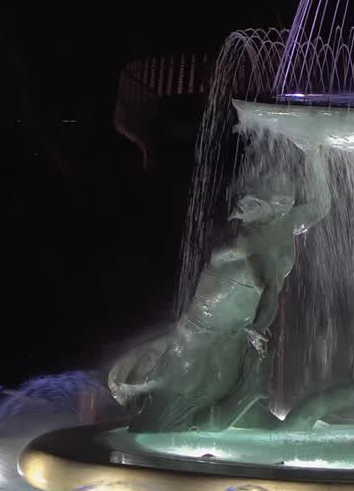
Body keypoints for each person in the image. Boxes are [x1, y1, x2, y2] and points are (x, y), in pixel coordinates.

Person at [120, 143, 331, 433]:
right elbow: (268, 287)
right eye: (275, 186)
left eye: (286, 185)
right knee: (205, 415)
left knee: (207, 412)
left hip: (227, 336)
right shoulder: (247, 238)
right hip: (210, 336)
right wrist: (258, 327)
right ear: (260, 202)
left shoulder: (288, 221)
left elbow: (322, 206)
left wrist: (316, 156)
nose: (287, 190)